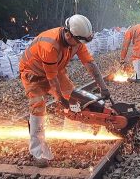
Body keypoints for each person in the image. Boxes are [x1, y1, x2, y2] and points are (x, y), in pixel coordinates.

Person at [19, 14, 111, 167]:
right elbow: (52, 80)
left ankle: (72, 133)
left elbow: (90, 64)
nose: (79, 45)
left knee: (74, 97)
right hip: (33, 73)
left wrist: (103, 87)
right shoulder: (50, 45)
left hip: (55, 70)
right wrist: (61, 100)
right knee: (38, 106)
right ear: (68, 34)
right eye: (78, 42)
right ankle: (37, 151)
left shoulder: (77, 41)